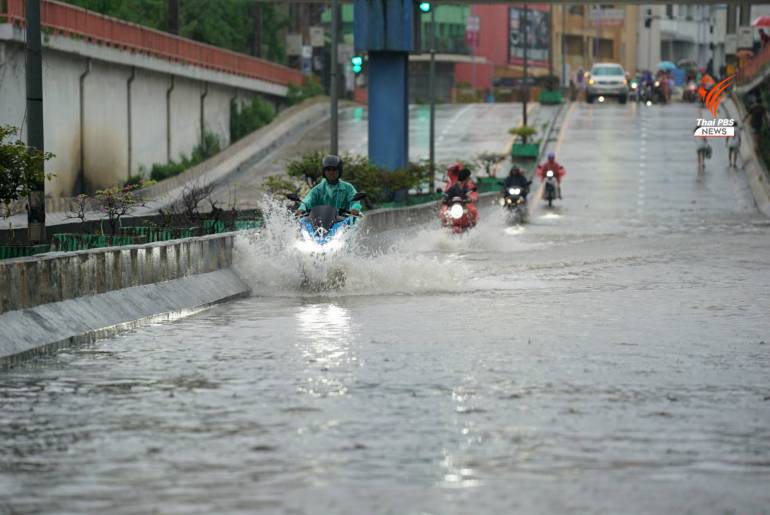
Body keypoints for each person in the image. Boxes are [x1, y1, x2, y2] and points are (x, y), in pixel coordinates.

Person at [296, 155, 361, 217]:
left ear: (339, 171)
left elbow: (355, 201)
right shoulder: (317, 189)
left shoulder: (348, 188)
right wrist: (301, 208)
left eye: (334, 169)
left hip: (343, 222)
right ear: (324, 171)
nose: (331, 172)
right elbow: (308, 200)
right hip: (320, 222)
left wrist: (355, 208)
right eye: (328, 169)